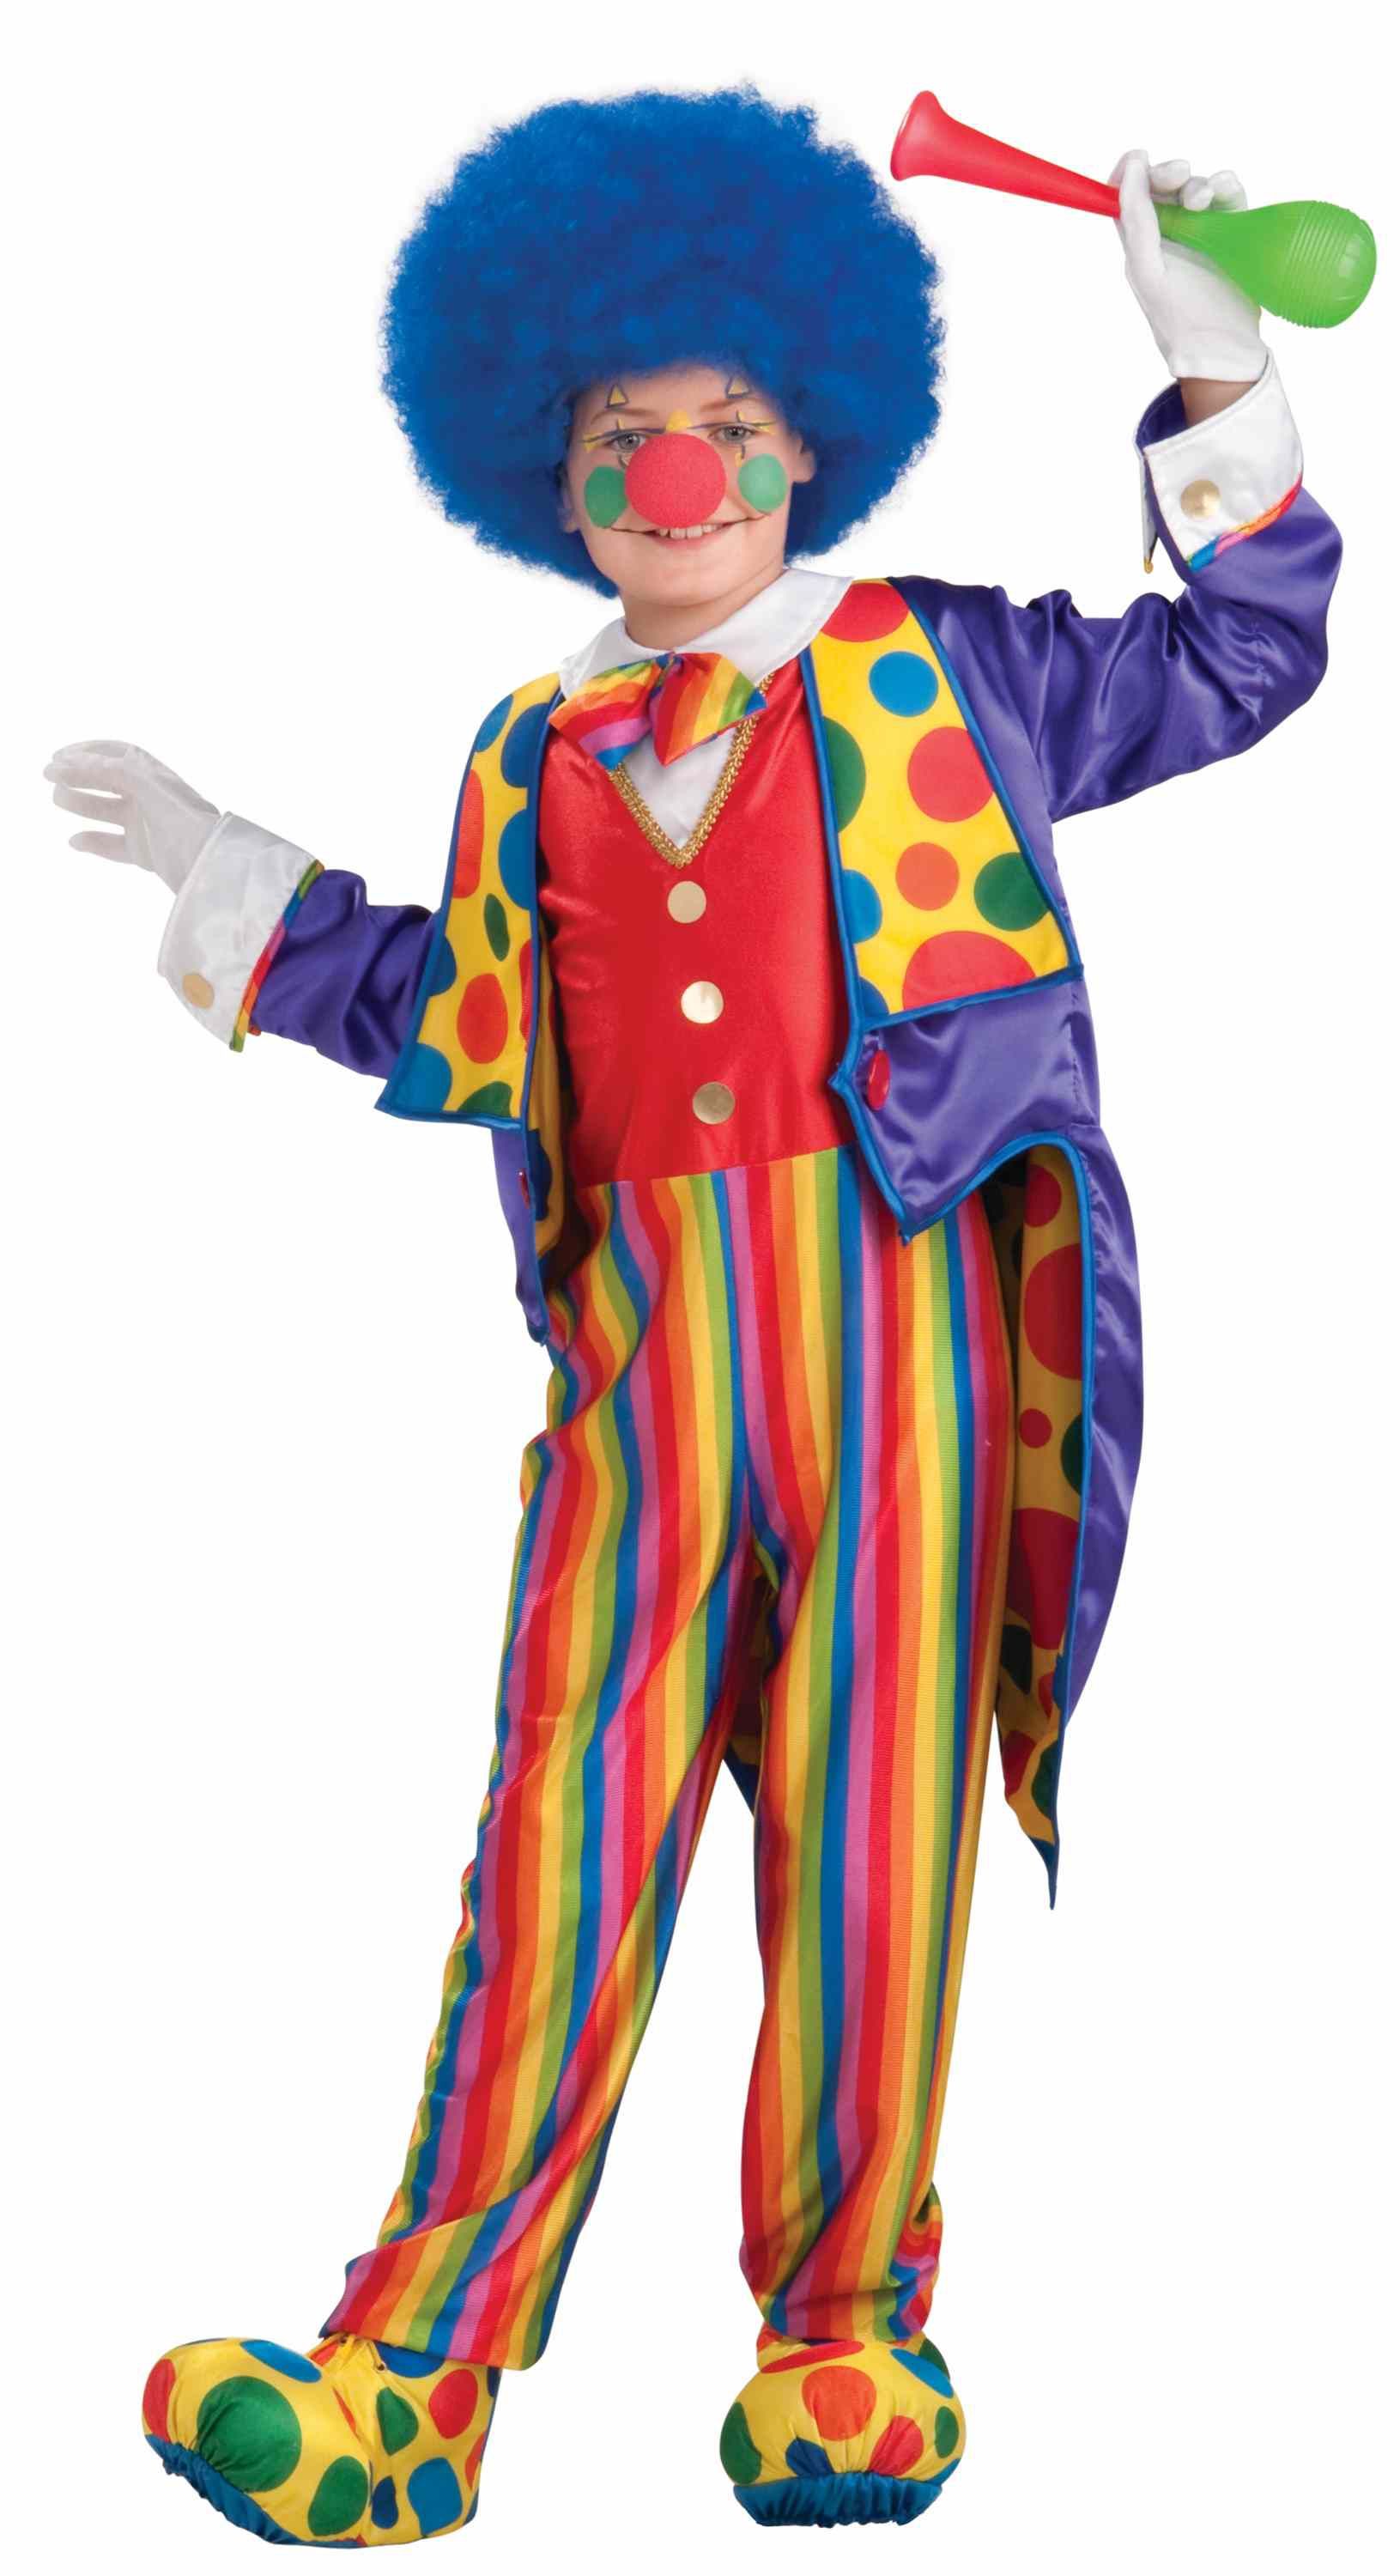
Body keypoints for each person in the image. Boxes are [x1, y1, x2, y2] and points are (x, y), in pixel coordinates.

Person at [47, 86, 1339, 2543]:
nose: (677, 473)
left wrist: (1211, 376)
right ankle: (408, 2374)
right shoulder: (529, 753)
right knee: (557, 1834)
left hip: (907, 1334)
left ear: (813, 436)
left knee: (875, 1852)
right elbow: (459, 1020)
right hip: (636, 1375)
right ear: (549, 470)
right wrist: (238, 885)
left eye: (728, 424)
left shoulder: (943, 670)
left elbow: (1245, 655)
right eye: (624, 434)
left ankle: (846, 2336)